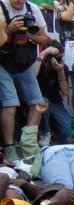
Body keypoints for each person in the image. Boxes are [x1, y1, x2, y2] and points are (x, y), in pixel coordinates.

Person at [0, 0, 49, 163]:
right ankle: (9, 147)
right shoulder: (1, 7)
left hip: (24, 62)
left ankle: (28, 145)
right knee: (10, 104)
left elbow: (44, 39)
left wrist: (33, 35)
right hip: (3, 62)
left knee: (38, 103)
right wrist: (10, 29)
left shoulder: (32, 8)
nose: (19, 1)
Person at [33, 41, 73, 146]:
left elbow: (64, 93)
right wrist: (43, 54)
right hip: (38, 99)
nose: (58, 59)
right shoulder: (38, 64)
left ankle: (53, 128)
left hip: (54, 101)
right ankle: (46, 132)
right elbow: (32, 76)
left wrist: (60, 72)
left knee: (66, 130)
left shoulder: (62, 67)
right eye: (54, 57)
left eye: (59, 57)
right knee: (43, 101)